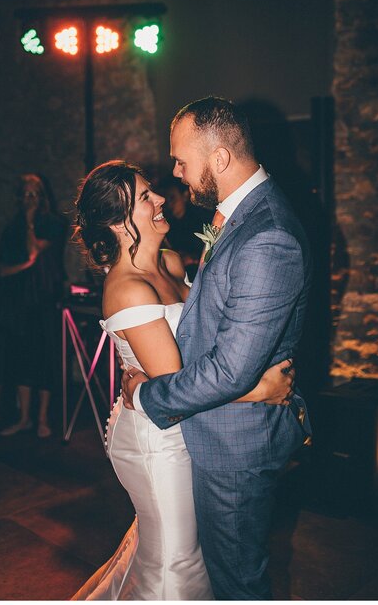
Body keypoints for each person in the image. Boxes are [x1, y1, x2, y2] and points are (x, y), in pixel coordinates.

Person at [70, 159, 295, 600]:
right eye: (144, 198)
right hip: (156, 436)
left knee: (182, 547)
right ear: (117, 223)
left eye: (152, 191)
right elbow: (176, 384)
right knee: (177, 557)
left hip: (188, 419)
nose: (159, 199)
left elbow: (210, 330)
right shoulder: (128, 288)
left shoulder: (170, 262)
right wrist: (259, 389)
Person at [123, 96, 312, 599]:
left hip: (236, 447)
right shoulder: (238, 216)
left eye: (183, 160)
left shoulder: (266, 235)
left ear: (221, 159)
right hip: (221, 430)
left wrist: (145, 395)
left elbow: (230, 370)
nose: (177, 173)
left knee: (237, 583)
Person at [0, 173, 67, 439]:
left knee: (45, 358)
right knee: (22, 358)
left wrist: (29, 225)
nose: (30, 200)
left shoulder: (53, 223)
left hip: (45, 297)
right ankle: (24, 418)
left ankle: (42, 419)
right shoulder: (11, 228)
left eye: (34, 194)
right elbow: (3, 267)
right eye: (25, 195)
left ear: (42, 196)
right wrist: (23, 265)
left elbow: (34, 251)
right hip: (18, 301)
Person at [154, 174, 210, 280]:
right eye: (166, 199)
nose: (169, 204)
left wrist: (194, 258)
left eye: (172, 198)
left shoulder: (201, 219)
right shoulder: (167, 225)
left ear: (184, 196)